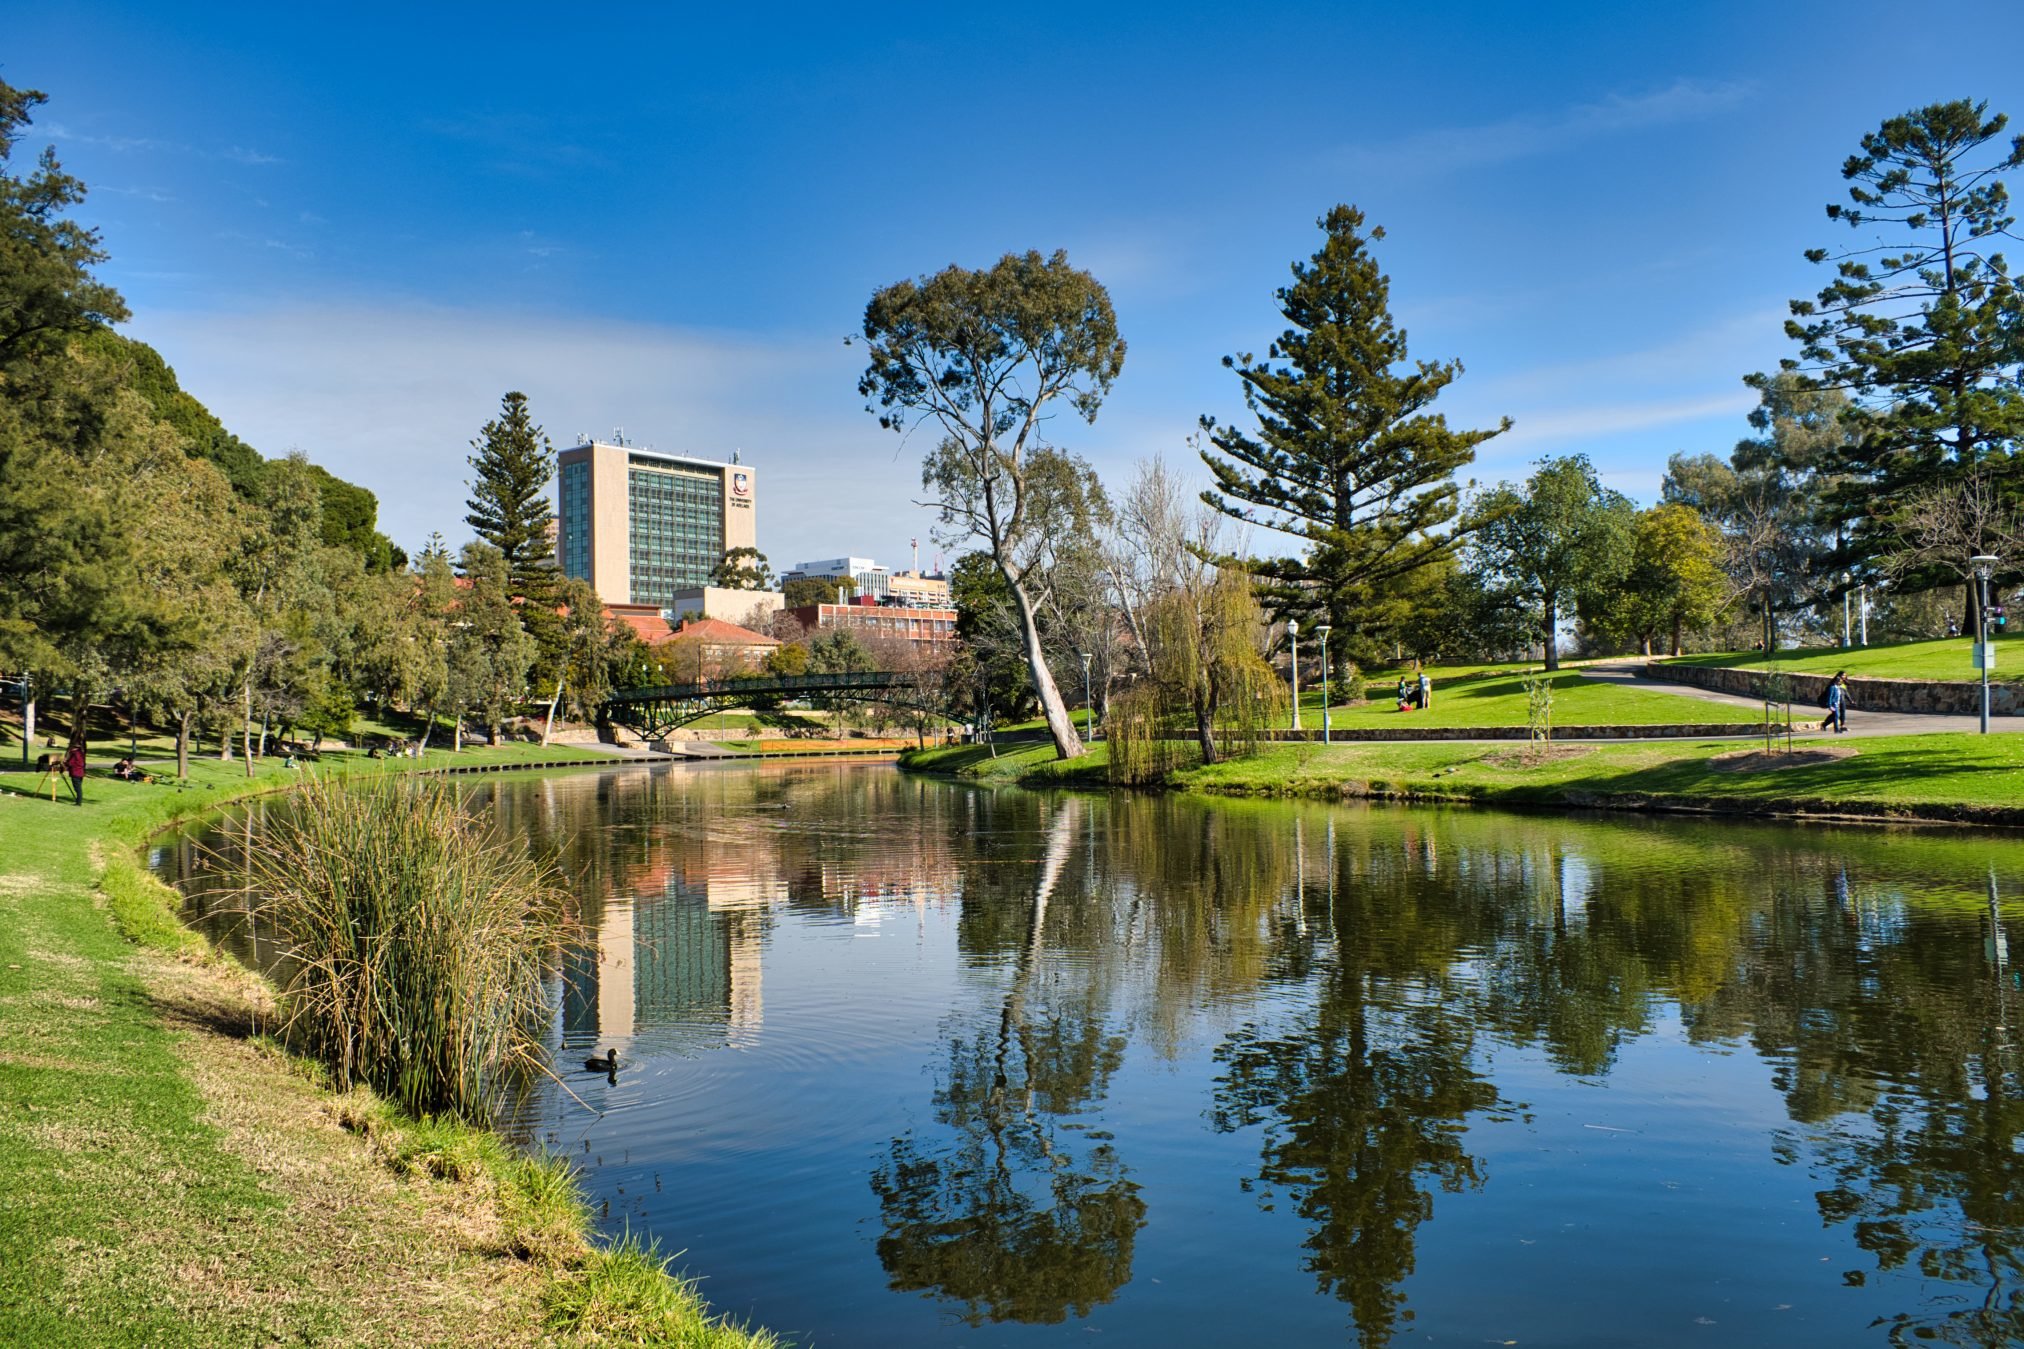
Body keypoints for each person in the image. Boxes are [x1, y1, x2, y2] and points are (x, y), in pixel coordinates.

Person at [62, 742, 86, 806]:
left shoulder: (74, 754)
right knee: (79, 788)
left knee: (77, 788)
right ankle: (78, 801)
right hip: (80, 772)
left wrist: (65, 762)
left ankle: (78, 803)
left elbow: (71, 763)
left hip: (76, 773)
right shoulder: (81, 753)